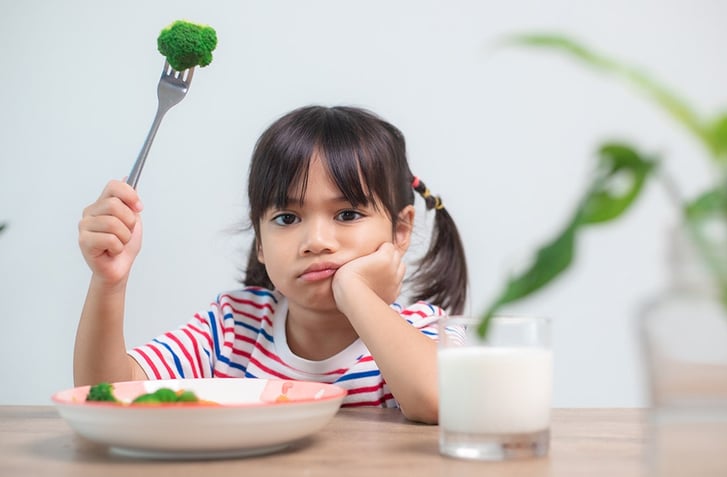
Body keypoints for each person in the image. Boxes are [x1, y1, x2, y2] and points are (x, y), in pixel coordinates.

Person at [74, 105, 468, 423]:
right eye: (287, 219)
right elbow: (108, 395)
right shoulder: (232, 328)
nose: (316, 242)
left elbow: (440, 401)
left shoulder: (423, 331)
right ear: (259, 241)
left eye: (347, 215)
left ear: (401, 231)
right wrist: (110, 283)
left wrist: (355, 292)